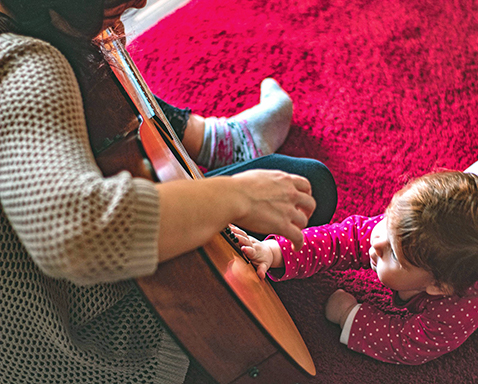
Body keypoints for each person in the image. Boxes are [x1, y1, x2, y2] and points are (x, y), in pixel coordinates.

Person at [0, 0, 338, 383]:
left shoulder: (27, 29)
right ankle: (221, 142)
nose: (141, 3)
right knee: (300, 191)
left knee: (302, 185)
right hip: (84, 347)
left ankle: (214, 140)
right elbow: (77, 234)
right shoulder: (27, 63)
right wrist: (236, 197)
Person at [233, 123, 478, 365]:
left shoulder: (462, 304)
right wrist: (274, 252)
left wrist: (350, 316)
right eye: (387, 219)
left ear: (439, 287)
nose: (375, 242)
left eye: (394, 255)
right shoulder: (401, 232)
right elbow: (339, 240)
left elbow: (411, 343)